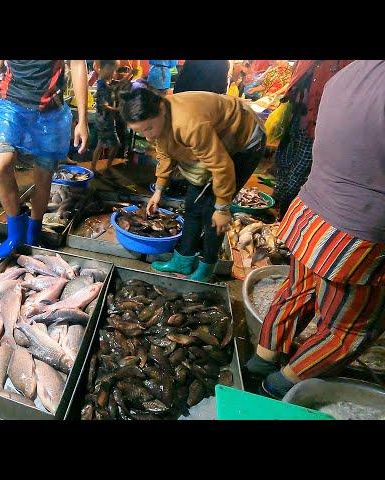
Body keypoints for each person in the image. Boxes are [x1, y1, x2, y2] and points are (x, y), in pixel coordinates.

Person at [246, 61, 385, 399]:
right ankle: (276, 386)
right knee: (347, 331)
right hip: (357, 237)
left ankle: (258, 365)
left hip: (310, 216)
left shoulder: (353, 72)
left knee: (297, 292)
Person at [118, 85, 266, 282]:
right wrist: (159, 189)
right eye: (140, 132)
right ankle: (184, 259)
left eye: (149, 128)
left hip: (244, 139)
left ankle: (207, 266)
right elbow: (163, 151)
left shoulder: (189, 124)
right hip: (216, 139)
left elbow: (222, 166)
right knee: (193, 205)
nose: (148, 136)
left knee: (212, 215)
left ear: (162, 109)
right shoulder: (158, 118)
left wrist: (222, 208)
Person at [0, 60, 89, 258]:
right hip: (11, 106)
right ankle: (15, 233)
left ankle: (33, 232)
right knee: (1, 166)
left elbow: (78, 65)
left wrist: (83, 120)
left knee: (43, 180)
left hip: (50, 112)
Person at [272, 60, 353, 218]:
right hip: (296, 116)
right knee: (283, 160)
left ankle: (284, 213)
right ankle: (277, 202)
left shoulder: (346, 64)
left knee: (299, 170)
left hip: (317, 124)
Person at [91, 60, 120, 174]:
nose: (114, 73)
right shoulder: (102, 85)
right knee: (114, 144)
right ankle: (106, 167)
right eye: (112, 70)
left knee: (101, 143)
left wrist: (130, 74)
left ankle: (97, 167)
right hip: (104, 119)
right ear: (104, 69)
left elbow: (118, 83)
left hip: (105, 119)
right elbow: (104, 105)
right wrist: (119, 110)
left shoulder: (105, 82)